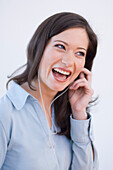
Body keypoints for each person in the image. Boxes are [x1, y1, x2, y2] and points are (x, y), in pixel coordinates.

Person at [0, 12, 99, 170]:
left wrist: (79, 114)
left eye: (80, 53)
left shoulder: (72, 115)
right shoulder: (6, 113)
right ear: (39, 46)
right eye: (60, 46)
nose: (68, 62)